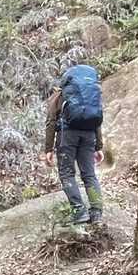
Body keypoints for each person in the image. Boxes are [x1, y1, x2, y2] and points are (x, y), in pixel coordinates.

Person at [43, 64, 105, 225]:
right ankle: (96, 212)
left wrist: (48, 149)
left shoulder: (60, 96)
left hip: (67, 136)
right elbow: (97, 120)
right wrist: (98, 146)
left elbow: (51, 122)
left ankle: (79, 211)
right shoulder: (91, 96)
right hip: (89, 135)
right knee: (89, 174)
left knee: (67, 173)